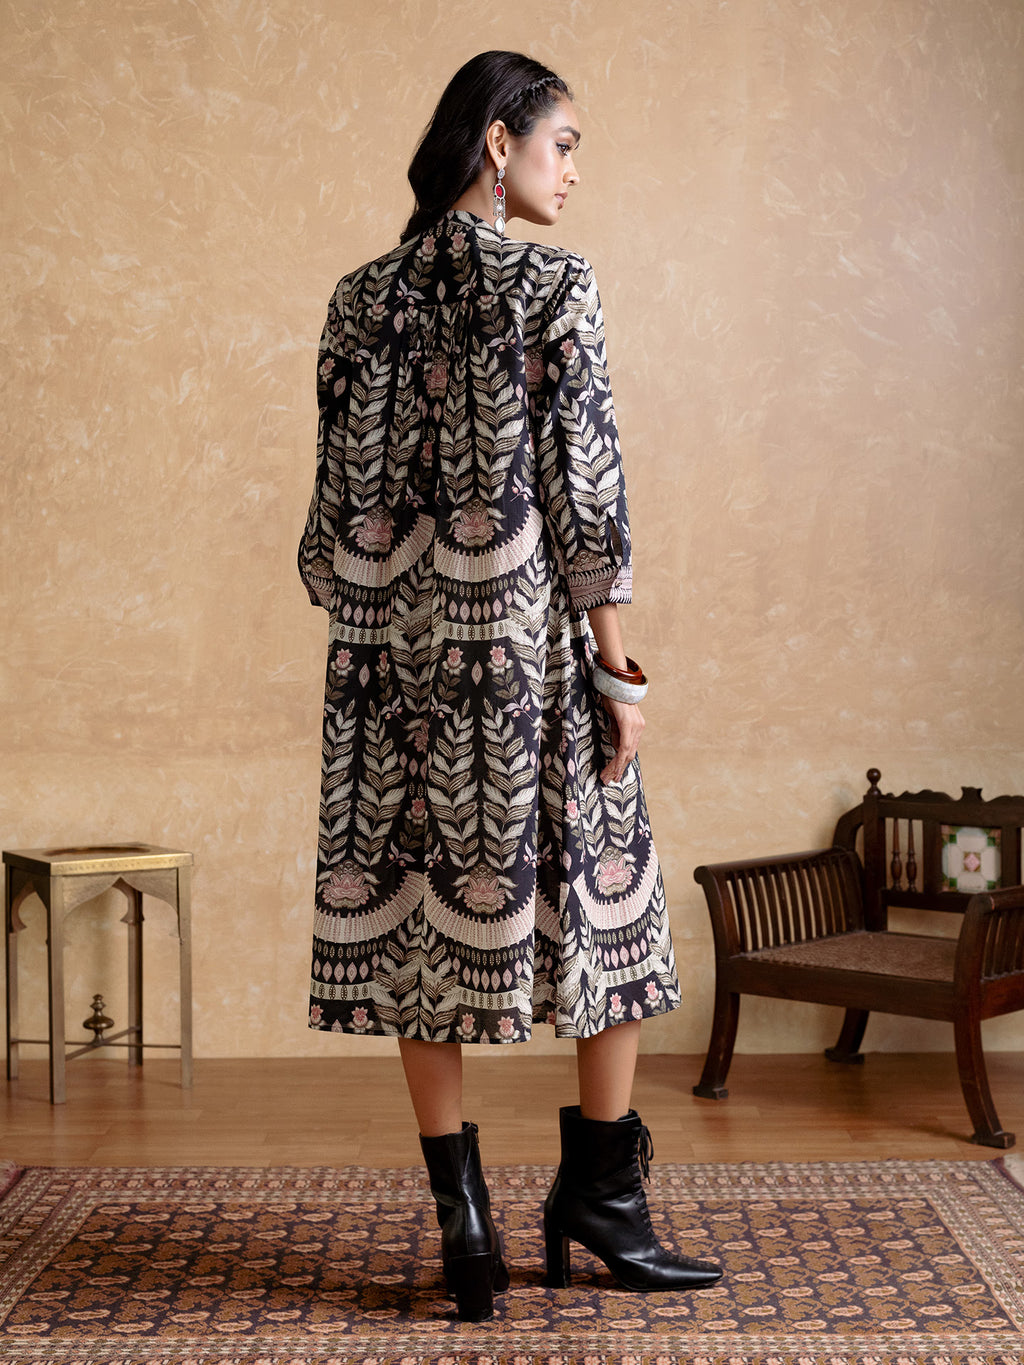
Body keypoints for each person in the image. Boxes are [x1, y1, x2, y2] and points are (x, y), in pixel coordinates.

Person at [298, 50, 722, 1321]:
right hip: (527, 658)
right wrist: (615, 667)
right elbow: (585, 493)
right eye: (564, 144)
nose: (573, 172)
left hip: (384, 671)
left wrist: (396, 612)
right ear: (498, 142)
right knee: (618, 909)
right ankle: (601, 1198)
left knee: (421, 929)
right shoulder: (554, 287)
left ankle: (466, 1227)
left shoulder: (357, 297)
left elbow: (326, 532)